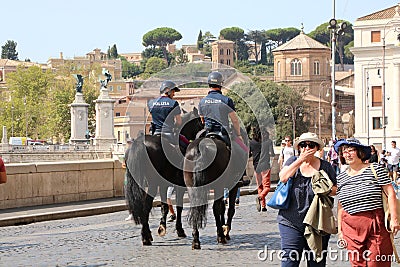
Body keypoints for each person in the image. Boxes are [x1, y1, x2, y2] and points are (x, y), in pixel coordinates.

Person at [334, 138, 400, 266]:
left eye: (351, 150)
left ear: (360, 152)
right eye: (344, 151)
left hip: (375, 225)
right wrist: (340, 230)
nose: (347, 154)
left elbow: (391, 193)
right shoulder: (341, 177)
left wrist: (395, 219)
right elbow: (341, 205)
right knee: (357, 264)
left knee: (377, 263)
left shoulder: (375, 169)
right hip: (350, 227)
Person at [278, 132, 337, 266]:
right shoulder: (293, 161)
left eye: (311, 145)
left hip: (318, 222)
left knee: (316, 262)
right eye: (303, 145)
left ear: (317, 148)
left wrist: (324, 187)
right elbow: (283, 177)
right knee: (289, 262)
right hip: (290, 221)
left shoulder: (325, 166)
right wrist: (300, 160)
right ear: (299, 147)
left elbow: (335, 190)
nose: (306, 148)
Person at [198, 71, 243, 146]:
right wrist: (238, 135)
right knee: (244, 149)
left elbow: (202, 120)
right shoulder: (226, 100)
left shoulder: (202, 102)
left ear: (209, 84)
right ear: (221, 84)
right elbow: (234, 120)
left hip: (208, 132)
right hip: (223, 133)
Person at [250, 127, 275, 212]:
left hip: (256, 166)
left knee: (260, 186)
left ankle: (263, 205)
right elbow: (272, 153)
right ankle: (260, 197)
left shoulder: (252, 142)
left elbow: (249, 154)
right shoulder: (268, 142)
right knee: (267, 187)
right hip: (265, 166)